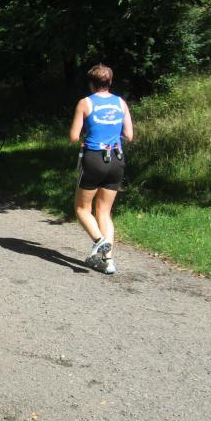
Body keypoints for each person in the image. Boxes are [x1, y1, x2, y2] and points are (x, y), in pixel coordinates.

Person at [69, 63, 134, 274]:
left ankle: (99, 241)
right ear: (110, 81)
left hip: (94, 159)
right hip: (116, 159)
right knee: (104, 212)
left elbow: (73, 137)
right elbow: (129, 135)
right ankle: (108, 261)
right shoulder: (121, 102)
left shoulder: (85, 103)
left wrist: (89, 132)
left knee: (82, 209)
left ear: (91, 83)